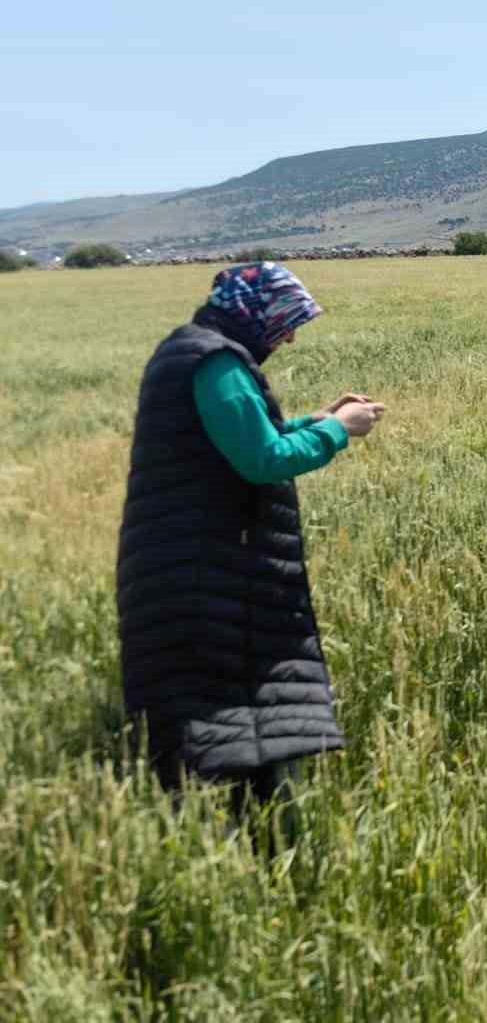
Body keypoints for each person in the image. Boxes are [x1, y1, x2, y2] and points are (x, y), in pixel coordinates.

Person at [117, 261, 385, 829]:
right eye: (286, 323)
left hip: (189, 565)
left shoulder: (190, 349)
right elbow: (260, 460)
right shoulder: (216, 363)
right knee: (231, 714)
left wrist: (318, 417)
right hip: (207, 571)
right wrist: (340, 430)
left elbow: (242, 440)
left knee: (213, 715)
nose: (288, 336)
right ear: (255, 314)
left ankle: (217, 840)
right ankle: (262, 852)